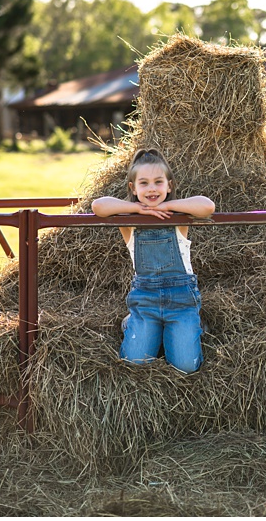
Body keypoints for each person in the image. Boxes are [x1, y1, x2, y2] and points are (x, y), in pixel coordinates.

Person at [92, 149, 215, 374]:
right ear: (133, 188)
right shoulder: (129, 222)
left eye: (158, 182)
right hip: (145, 302)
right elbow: (99, 206)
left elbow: (207, 206)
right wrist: (137, 208)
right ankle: (133, 323)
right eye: (144, 183)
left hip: (181, 303)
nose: (151, 188)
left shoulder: (178, 218)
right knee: (134, 363)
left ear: (169, 186)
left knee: (186, 367)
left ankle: (192, 325)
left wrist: (167, 206)